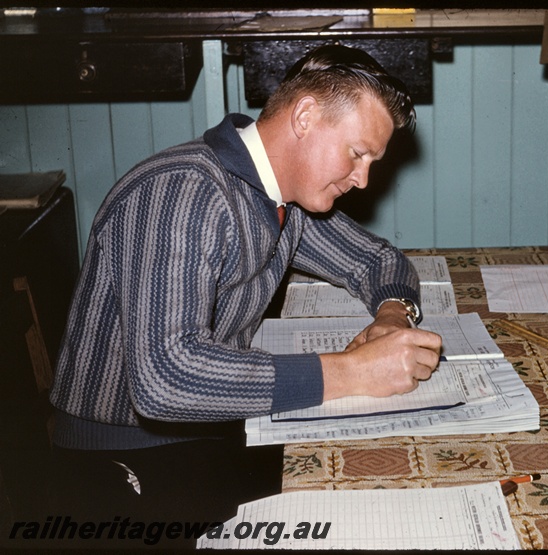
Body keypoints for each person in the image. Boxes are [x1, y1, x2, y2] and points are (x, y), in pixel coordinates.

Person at [40, 44, 442, 545]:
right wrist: (352, 371)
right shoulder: (180, 192)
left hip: (203, 433)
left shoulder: (280, 197)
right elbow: (166, 378)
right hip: (116, 459)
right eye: (357, 153)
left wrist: (392, 318)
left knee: (371, 493)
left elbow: (378, 260)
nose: (362, 179)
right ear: (305, 116)